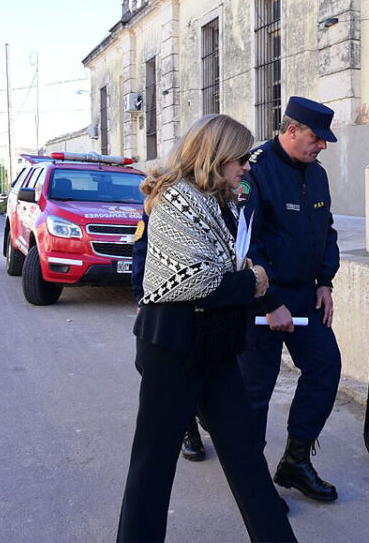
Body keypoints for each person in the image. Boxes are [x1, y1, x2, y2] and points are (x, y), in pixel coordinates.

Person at [117, 114, 296, 542]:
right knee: (153, 465)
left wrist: (250, 278)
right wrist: (252, 281)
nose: (247, 167)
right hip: (171, 347)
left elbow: (229, 264)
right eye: (241, 159)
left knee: (247, 457)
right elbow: (197, 281)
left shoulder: (222, 203)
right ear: (216, 157)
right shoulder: (175, 200)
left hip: (215, 346)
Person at [237, 96, 341, 503]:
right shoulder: (255, 171)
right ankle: (252, 480)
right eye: (317, 137)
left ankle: (296, 461)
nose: (322, 146)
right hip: (261, 298)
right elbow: (246, 242)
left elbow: (325, 230)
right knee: (255, 391)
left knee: (325, 367)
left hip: (304, 295)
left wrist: (325, 281)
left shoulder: (316, 175)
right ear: (291, 130)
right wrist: (269, 301)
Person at [131, 212, 207, 462]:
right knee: (172, 372)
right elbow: (143, 248)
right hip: (166, 305)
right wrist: (142, 297)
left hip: (210, 305)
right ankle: (188, 429)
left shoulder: (217, 197)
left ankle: (203, 416)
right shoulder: (160, 199)